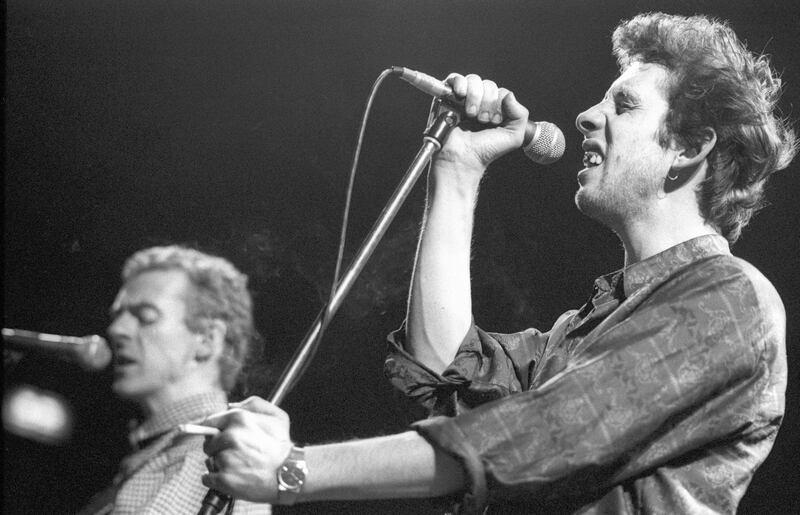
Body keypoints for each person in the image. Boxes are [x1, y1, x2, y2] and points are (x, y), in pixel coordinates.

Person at [198, 12, 796, 514]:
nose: (588, 114)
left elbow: (533, 436)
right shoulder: (583, 329)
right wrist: (457, 172)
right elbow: (446, 372)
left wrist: (293, 470)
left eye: (625, 104)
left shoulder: (732, 301)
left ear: (690, 149)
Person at [78, 246, 271, 514]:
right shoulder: (170, 452)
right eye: (117, 316)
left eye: (145, 317)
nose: (116, 330)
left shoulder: (205, 460)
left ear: (206, 340)